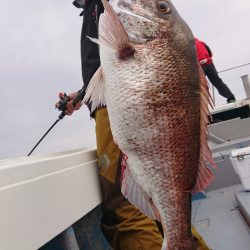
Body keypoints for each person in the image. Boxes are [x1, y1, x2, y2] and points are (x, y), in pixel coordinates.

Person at [58, 1, 211, 249]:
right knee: (168, 205)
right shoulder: (95, 10)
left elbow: (129, 61)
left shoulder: (111, 7)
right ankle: (182, 241)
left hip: (124, 109)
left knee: (123, 210)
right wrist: (82, 95)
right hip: (125, 103)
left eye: (161, 7)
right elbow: (112, 65)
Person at [195, 37, 236, 103]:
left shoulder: (190, 47)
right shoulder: (202, 43)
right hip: (209, 64)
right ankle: (231, 97)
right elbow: (210, 53)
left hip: (199, 67)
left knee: (200, 85)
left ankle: (204, 103)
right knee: (217, 81)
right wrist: (206, 59)